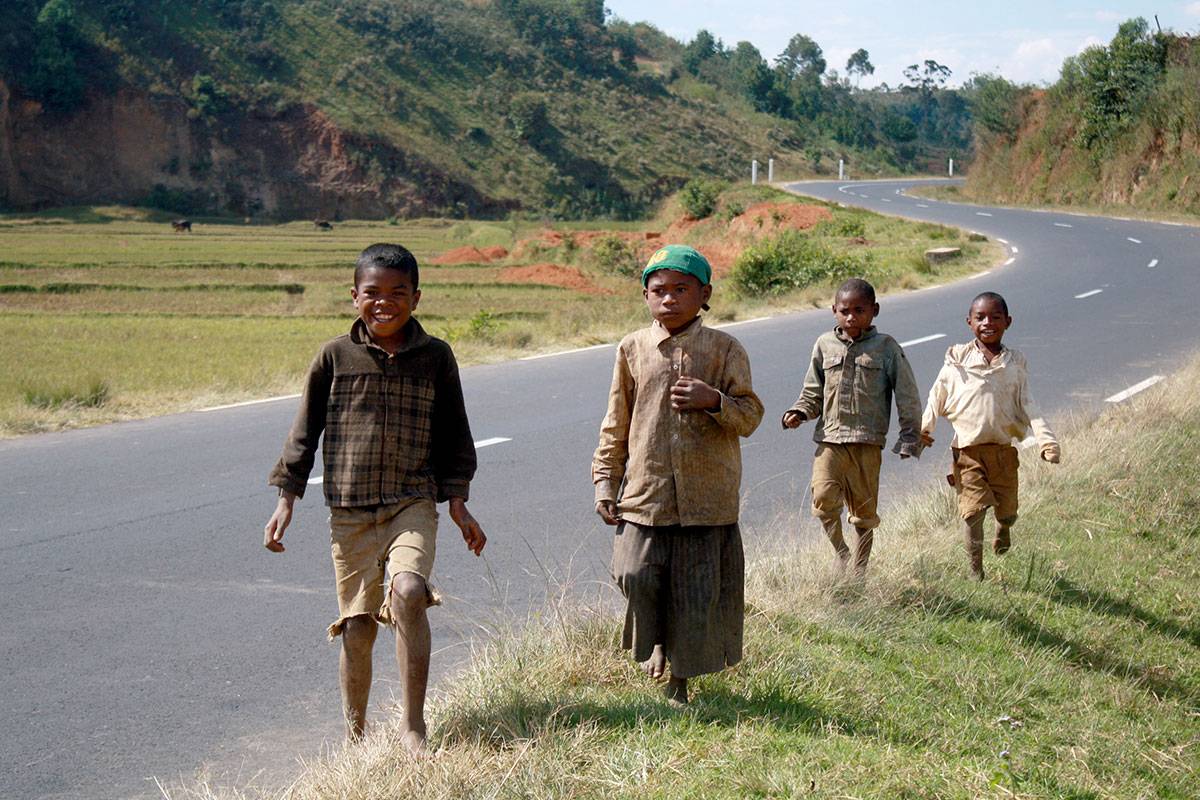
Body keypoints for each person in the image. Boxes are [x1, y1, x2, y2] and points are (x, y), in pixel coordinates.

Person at [263, 243, 486, 753]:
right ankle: (356, 737)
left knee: (408, 591)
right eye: (373, 293)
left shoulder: (436, 357)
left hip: (412, 500)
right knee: (359, 628)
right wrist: (286, 498)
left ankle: (413, 726)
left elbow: (455, 432)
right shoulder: (334, 356)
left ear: (416, 297)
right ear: (354, 296)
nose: (384, 303)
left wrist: (458, 501)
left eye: (397, 293)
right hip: (350, 507)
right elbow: (305, 431)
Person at [593, 245, 764, 704]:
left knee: (693, 592)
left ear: (704, 294)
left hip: (707, 496)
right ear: (646, 295)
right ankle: (658, 643)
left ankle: (679, 681)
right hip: (645, 494)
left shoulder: (725, 349)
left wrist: (715, 402)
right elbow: (616, 422)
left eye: (681, 289)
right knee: (634, 573)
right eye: (658, 290)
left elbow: (749, 416)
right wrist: (606, 481)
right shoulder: (632, 348)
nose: (668, 299)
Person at [782, 278, 923, 575]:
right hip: (830, 440)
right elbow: (812, 392)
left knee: (864, 514)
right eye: (845, 310)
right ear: (834, 310)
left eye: (859, 310)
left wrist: (910, 435)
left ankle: (859, 572)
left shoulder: (886, 347)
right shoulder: (824, 344)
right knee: (822, 501)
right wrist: (799, 412)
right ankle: (841, 552)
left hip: (867, 442)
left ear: (874, 311)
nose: (851, 317)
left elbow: (907, 393)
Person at [920, 291, 1060, 579]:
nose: (988, 323)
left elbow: (1029, 405)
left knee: (1007, 510)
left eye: (995, 317)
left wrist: (1047, 441)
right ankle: (976, 571)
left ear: (1008, 321)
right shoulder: (957, 361)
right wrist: (924, 430)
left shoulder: (1014, 365)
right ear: (969, 322)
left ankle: (1004, 529)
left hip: (1003, 453)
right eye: (980, 317)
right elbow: (936, 396)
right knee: (972, 512)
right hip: (967, 453)